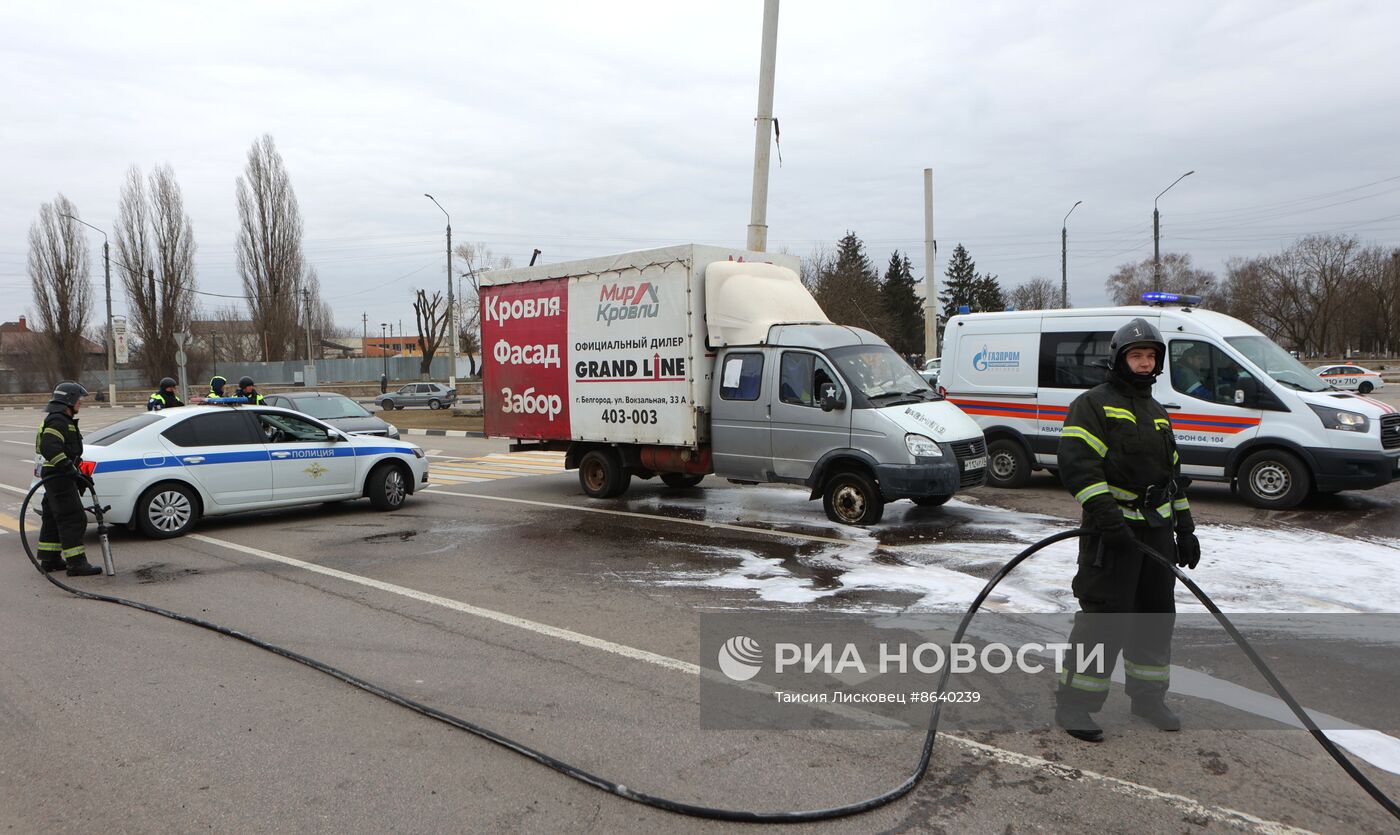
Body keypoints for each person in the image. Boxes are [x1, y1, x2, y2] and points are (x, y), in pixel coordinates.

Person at [1055, 318, 1201, 742]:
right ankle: (1074, 704)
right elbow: (1078, 467)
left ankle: (1148, 698)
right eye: (1136, 356)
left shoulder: (1158, 414)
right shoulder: (1093, 405)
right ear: (1120, 359)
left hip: (1155, 533)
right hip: (1111, 536)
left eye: (1150, 357)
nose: (1143, 363)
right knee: (1104, 620)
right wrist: (1108, 520)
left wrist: (1185, 527)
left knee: (1155, 618)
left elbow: (1173, 476)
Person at [34, 382, 102, 576]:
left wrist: (78, 473)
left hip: (55, 475)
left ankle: (50, 559)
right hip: (58, 475)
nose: (80, 403)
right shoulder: (59, 420)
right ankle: (76, 563)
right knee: (73, 517)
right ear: (69, 400)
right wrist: (69, 470)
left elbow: (66, 451)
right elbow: (50, 448)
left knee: (53, 516)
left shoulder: (60, 419)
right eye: (79, 400)